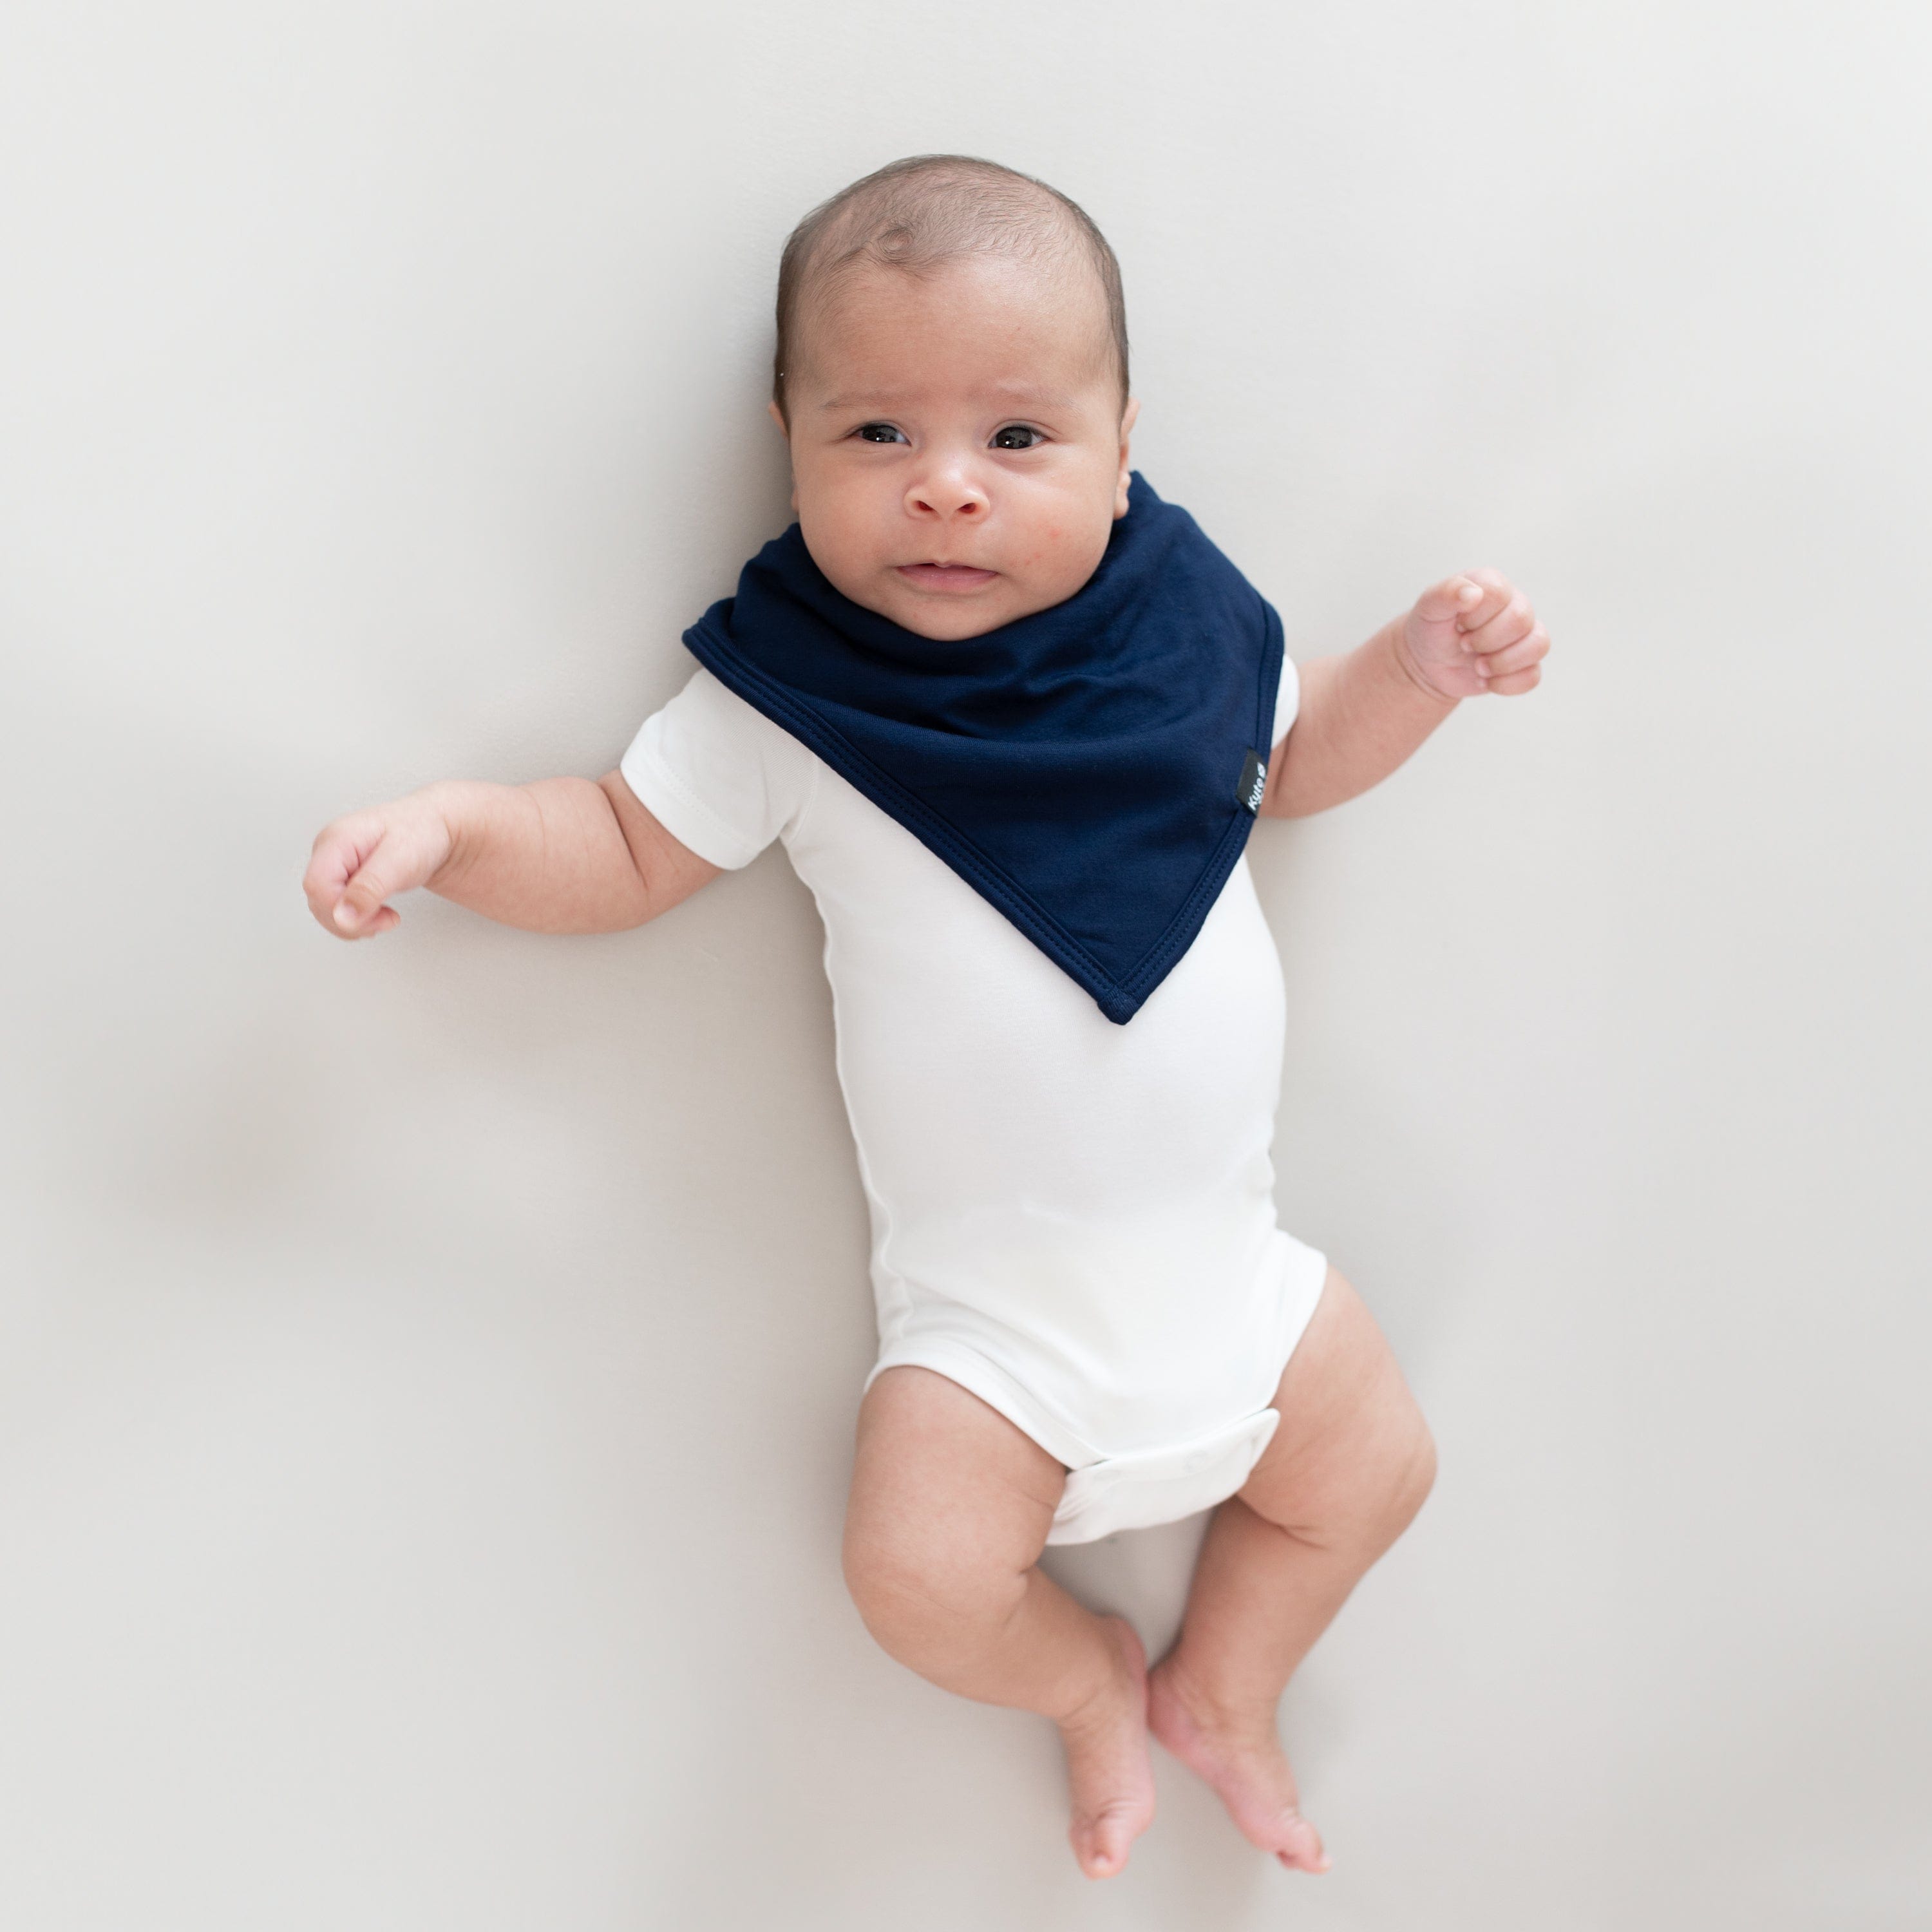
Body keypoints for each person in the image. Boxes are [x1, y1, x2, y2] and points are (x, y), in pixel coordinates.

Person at [302, 154, 1551, 1881]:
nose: (946, 491)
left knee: (1380, 1470)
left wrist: (1413, 673)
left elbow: (1297, 760)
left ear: (1124, 441)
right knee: (920, 1584)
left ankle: (1228, 1685)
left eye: (1016, 440)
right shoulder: (798, 700)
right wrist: (452, 832)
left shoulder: (1190, 633)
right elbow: (616, 843)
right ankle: (1089, 1683)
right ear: (789, 435)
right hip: (996, 1348)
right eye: (877, 436)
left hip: (1239, 1284)